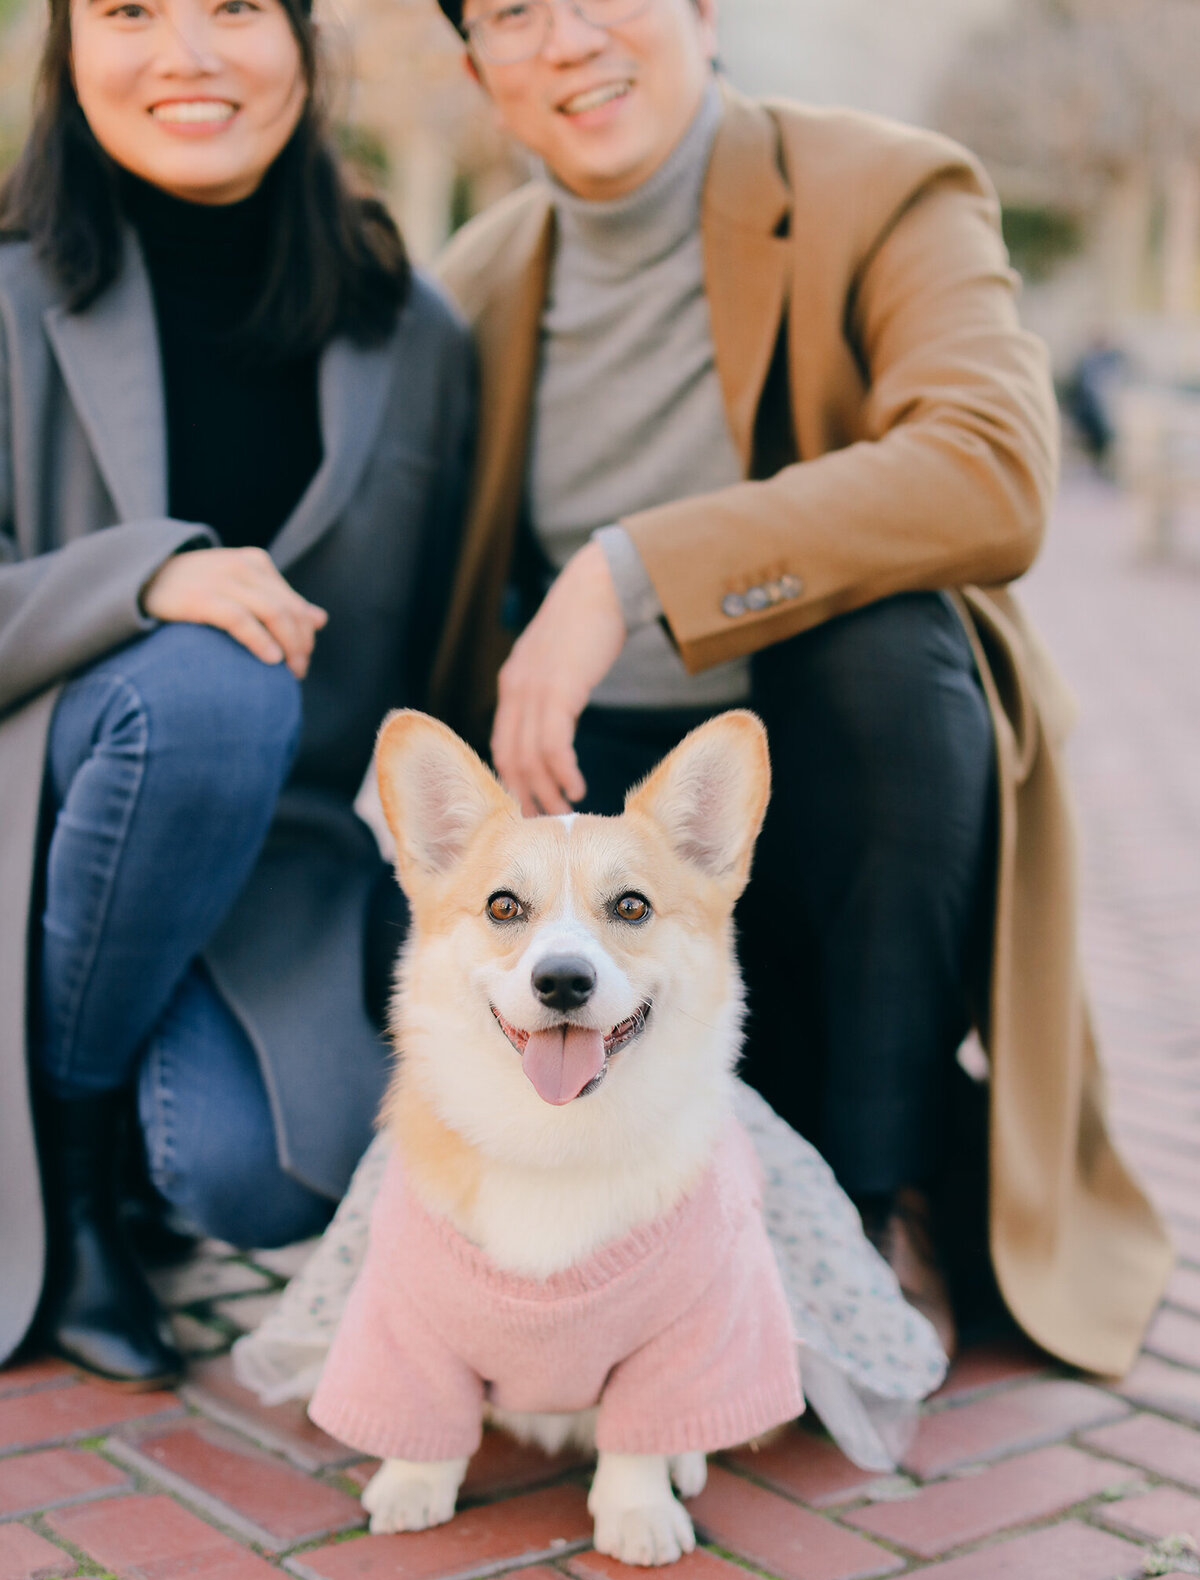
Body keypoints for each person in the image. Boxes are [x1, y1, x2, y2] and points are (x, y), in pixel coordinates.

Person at [424, 0, 1172, 1374]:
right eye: (516, 12)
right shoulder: (470, 282)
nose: (570, 37)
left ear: (704, 12)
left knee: (888, 655)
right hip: (582, 789)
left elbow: (993, 468)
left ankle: (862, 1215)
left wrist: (631, 565)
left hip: (822, 764)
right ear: (479, 74)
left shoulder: (887, 186)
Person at [0, 0, 472, 1384]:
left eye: (234, 7)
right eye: (130, 10)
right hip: (33, 814)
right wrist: (146, 578)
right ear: (66, 47)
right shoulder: (6, 289)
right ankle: (75, 1188)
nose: (184, 56)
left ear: (308, 41)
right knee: (209, 689)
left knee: (265, 1178)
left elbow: (448, 638)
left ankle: (151, 1164)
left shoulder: (414, 331)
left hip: (282, 857)